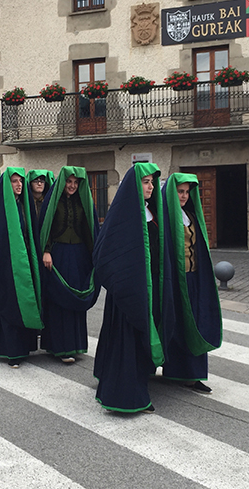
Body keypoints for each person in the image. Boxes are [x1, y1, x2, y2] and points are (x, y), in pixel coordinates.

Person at [92, 163, 170, 413]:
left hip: (149, 286)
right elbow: (104, 254)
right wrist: (124, 280)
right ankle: (127, 396)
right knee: (126, 341)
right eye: (146, 182)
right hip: (128, 289)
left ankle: (140, 380)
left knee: (140, 338)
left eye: (152, 182)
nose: (150, 187)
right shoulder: (123, 215)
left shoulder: (151, 212)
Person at [161, 173, 222, 393]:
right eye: (180, 191)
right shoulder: (166, 218)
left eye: (187, 192)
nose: (184, 196)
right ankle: (175, 370)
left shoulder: (191, 216)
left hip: (193, 278)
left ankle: (193, 374)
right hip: (175, 279)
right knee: (176, 324)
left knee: (195, 323)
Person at [0, 168, 42, 368]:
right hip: (4, 267)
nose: (19, 185)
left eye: (20, 181)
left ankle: (23, 347)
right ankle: (10, 350)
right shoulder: (0, 209)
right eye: (14, 181)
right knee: (6, 305)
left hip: (22, 264)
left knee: (22, 303)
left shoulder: (23, 206)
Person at [39, 167, 100, 363]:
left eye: (76, 182)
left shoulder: (83, 201)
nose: (72, 186)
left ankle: (76, 344)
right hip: (58, 254)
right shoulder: (52, 201)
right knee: (59, 300)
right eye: (69, 181)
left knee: (75, 298)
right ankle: (59, 347)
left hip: (79, 255)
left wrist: (94, 255)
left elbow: (89, 229)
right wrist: (46, 250)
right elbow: (46, 226)